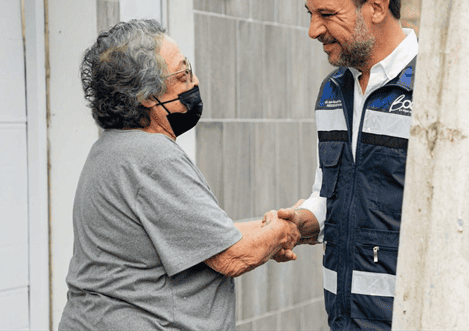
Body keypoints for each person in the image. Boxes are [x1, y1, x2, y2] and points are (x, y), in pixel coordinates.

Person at [58, 19, 300, 330]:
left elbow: (207, 236)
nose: (195, 81)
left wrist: (274, 225)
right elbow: (232, 256)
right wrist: (283, 232)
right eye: (183, 75)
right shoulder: (152, 157)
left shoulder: (112, 149)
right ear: (146, 95)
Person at [274, 0, 419, 330]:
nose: (312, 30)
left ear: (376, 7)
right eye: (309, 13)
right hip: (343, 319)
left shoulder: (432, 90)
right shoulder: (332, 91)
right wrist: (304, 220)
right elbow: (331, 191)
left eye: (326, 14)